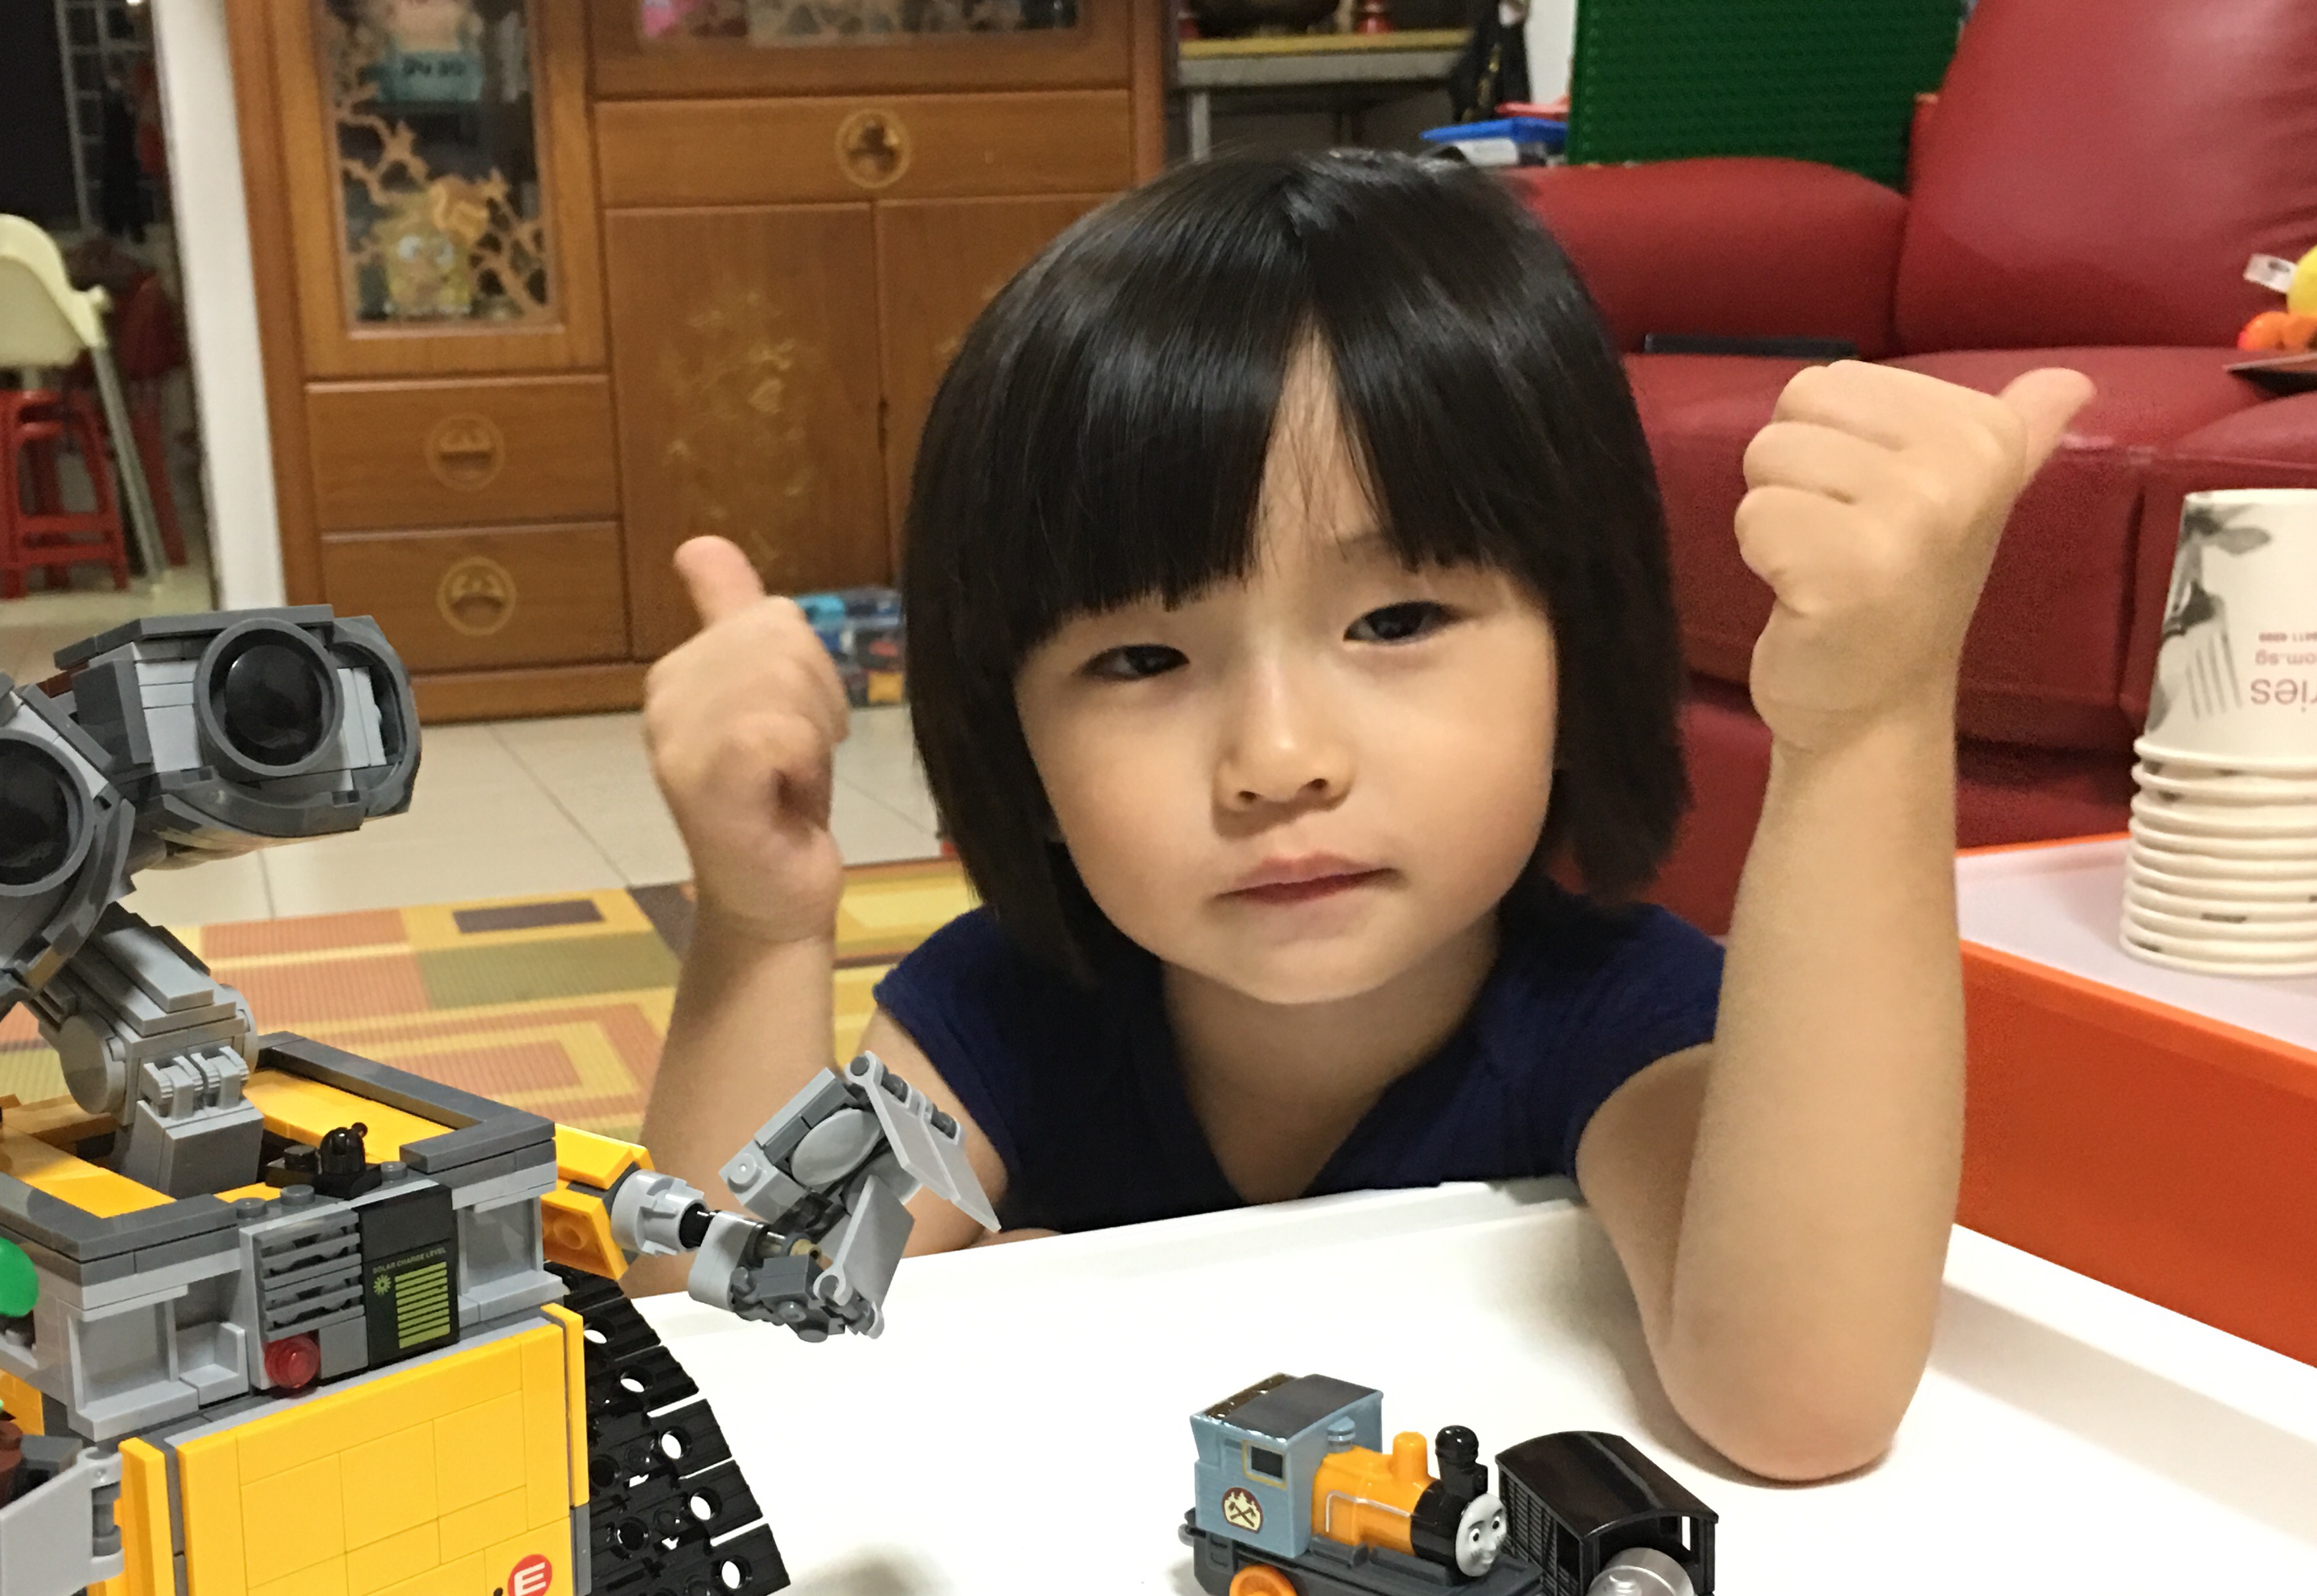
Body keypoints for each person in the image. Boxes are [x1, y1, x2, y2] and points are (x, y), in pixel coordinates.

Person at [627, 153, 2089, 1484]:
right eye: (1143, 659)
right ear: (1011, 737)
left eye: (1396, 621)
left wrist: (1870, 721)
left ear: (1577, 652)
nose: (1279, 761)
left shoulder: (1614, 1020)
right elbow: (736, 1336)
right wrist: (760, 926)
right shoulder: (1006, 1011)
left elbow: (1799, 1404)